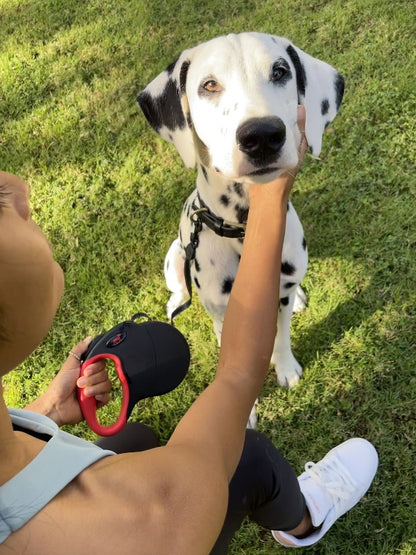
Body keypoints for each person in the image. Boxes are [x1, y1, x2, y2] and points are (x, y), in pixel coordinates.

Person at [0, 107, 378, 554]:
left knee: (135, 440)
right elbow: (238, 376)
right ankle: (304, 518)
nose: (19, 191)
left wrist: (42, 412)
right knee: (249, 459)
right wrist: (271, 196)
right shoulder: (147, 521)